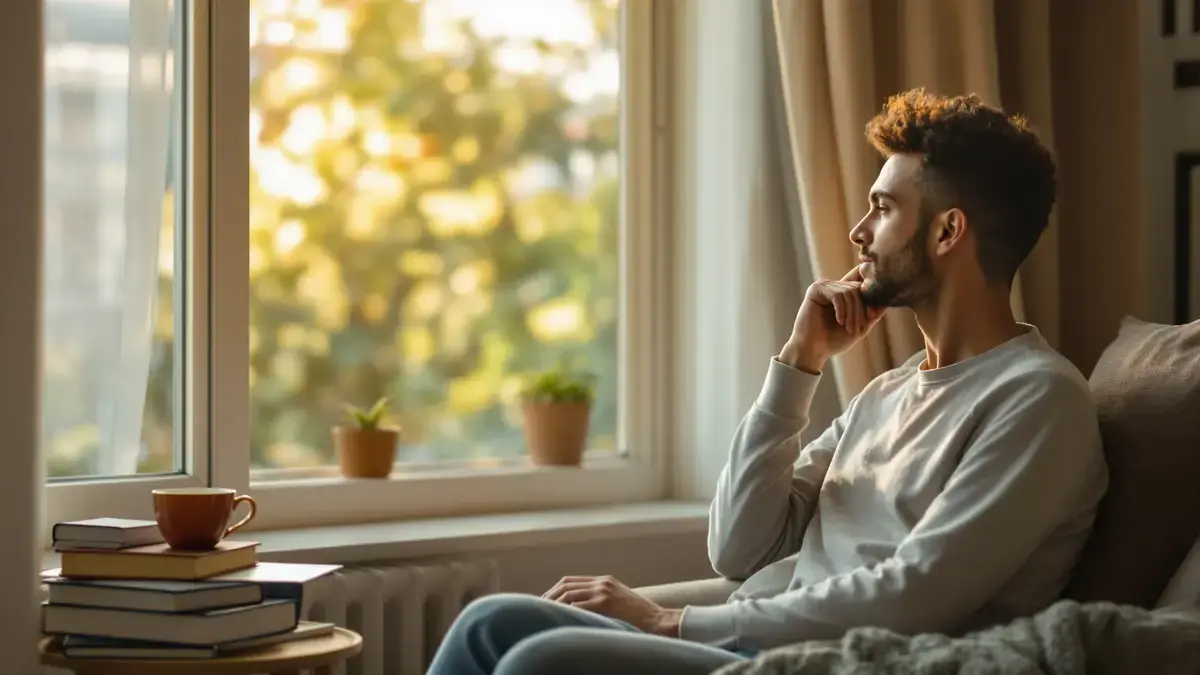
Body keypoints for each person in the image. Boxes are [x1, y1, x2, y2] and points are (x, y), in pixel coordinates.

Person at [426, 89, 1109, 675]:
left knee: (539, 663)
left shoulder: (1039, 399)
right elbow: (739, 546)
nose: (858, 231)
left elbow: (917, 594)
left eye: (882, 208)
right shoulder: (888, 392)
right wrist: (799, 361)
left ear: (947, 231)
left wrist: (673, 621)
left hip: (853, 663)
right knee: (492, 621)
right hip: (764, 646)